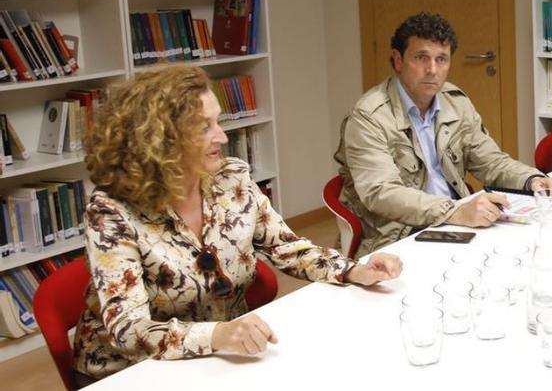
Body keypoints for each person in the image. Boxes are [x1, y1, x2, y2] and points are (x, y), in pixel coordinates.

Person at [74, 66, 403, 383]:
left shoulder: (231, 179)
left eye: (217, 121)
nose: (222, 136)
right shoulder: (112, 213)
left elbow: (285, 246)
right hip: (135, 371)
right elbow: (128, 329)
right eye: (204, 127)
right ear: (161, 139)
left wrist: (352, 270)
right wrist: (216, 335)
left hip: (222, 357)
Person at [334, 12, 552, 256]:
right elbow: (381, 193)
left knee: (539, 250)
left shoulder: (454, 101)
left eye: (441, 59)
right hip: (400, 235)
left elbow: (490, 161)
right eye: (421, 58)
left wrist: (531, 180)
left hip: (455, 223)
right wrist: (453, 211)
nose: (432, 70)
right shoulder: (368, 117)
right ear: (398, 60)